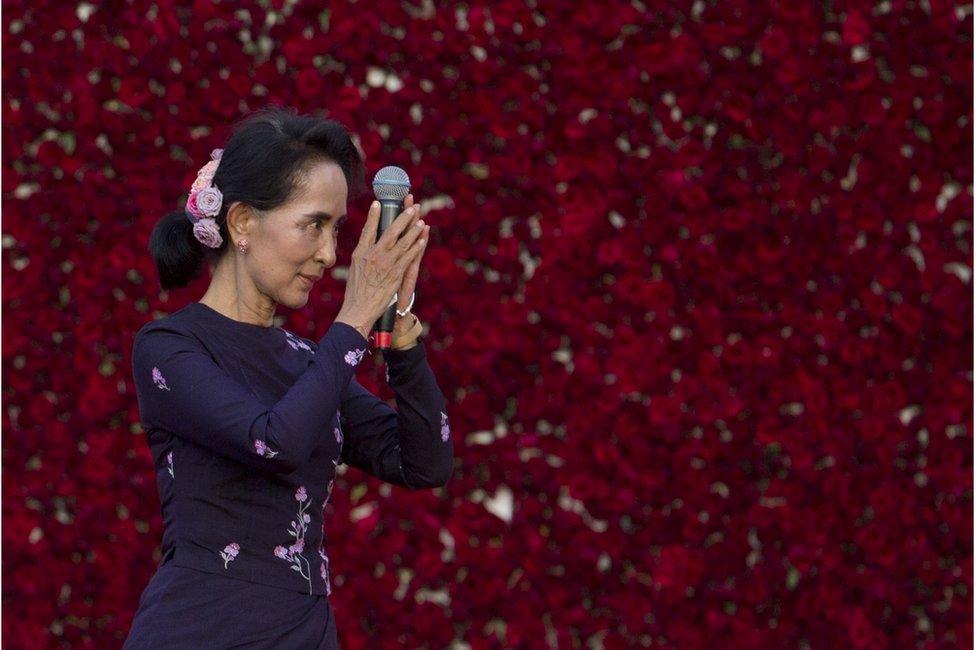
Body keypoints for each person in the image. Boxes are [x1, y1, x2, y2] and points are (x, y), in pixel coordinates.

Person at [122, 105, 453, 648]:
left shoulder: (307, 359)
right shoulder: (170, 347)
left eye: (338, 229)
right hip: (200, 629)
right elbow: (273, 441)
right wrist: (352, 321)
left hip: (304, 632)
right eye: (313, 225)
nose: (329, 255)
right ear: (243, 223)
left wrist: (400, 333)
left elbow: (424, 461)